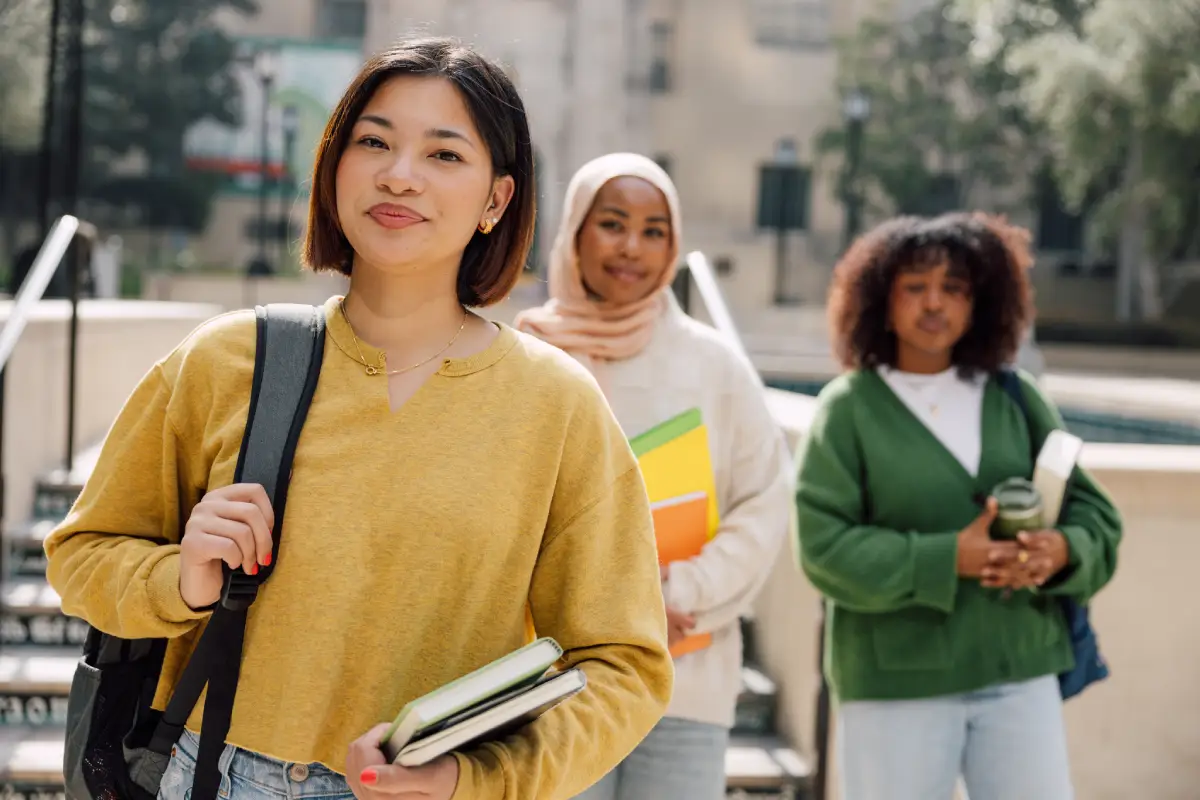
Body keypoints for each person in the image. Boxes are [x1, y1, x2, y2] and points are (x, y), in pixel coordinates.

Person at [44, 39, 673, 800]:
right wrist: (178, 576)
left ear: (496, 201)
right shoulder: (224, 360)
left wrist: (477, 777)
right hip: (210, 774)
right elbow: (82, 555)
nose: (398, 175)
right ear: (334, 166)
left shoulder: (558, 405)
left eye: (444, 155)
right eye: (373, 141)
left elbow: (624, 665)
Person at [794, 212, 1122, 800]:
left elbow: (1096, 517)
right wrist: (949, 558)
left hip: (1019, 670)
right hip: (897, 682)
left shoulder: (1017, 398)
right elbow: (824, 548)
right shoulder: (846, 411)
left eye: (954, 288)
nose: (934, 303)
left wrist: (1061, 550)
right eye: (915, 287)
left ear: (981, 302)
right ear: (881, 299)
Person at [515, 153, 792, 800]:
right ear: (575, 231)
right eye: (612, 223)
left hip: (682, 677)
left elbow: (765, 501)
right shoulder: (529, 359)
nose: (631, 247)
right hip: (551, 679)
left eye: (653, 230)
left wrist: (676, 596)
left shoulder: (713, 365)